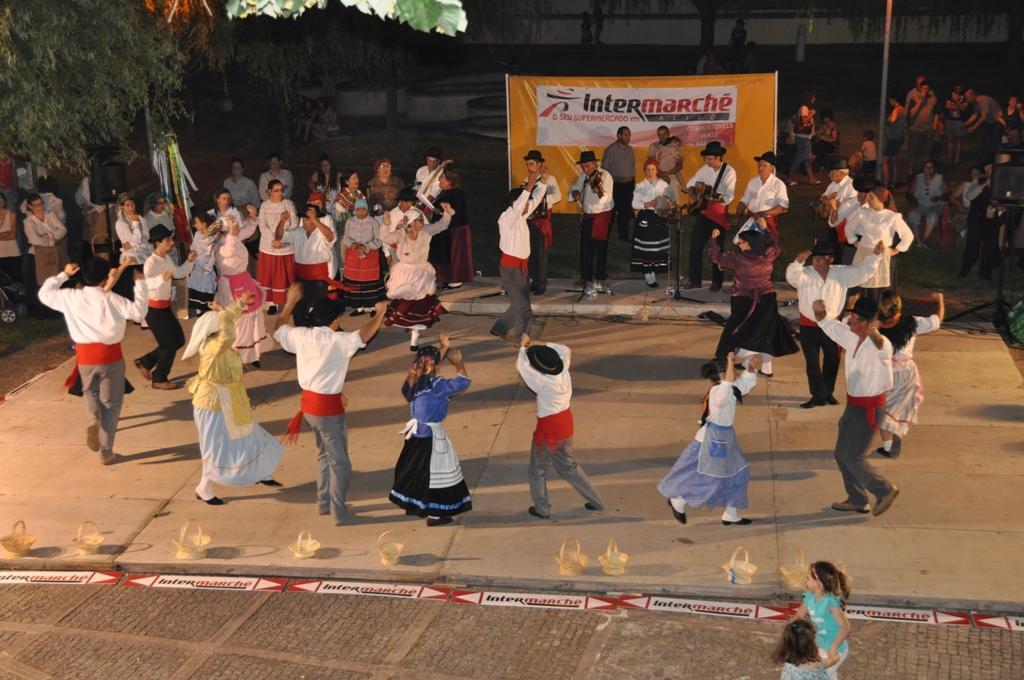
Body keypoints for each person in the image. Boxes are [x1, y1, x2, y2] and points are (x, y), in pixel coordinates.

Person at [274, 284, 388, 525]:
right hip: (328, 411)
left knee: (324, 455)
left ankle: (323, 501)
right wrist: (380, 313)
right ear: (335, 321)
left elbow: (279, 328)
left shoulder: (301, 336)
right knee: (340, 462)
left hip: (309, 407)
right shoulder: (339, 341)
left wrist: (290, 302)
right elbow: (364, 334)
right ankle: (337, 510)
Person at [37, 259, 148, 465]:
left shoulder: (70, 297)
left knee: (90, 392)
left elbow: (44, 294)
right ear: (105, 278)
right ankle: (106, 452)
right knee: (111, 404)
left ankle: (93, 419)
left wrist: (64, 275)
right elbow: (139, 313)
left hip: (85, 358)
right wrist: (140, 284)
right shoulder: (112, 299)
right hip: (110, 357)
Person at [184, 293, 283, 505]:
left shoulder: (217, 342)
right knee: (215, 447)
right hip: (211, 404)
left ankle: (261, 472)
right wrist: (225, 312)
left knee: (249, 435)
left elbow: (228, 324)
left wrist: (238, 305)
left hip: (229, 398)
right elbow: (229, 334)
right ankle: (204, 488)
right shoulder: (213, 347)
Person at [812, 296, 900, 517]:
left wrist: (874, 333)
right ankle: (857, 499)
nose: (849, 319)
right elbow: (829, 325)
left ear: (866, 323)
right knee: (841, 455)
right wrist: (819, 312)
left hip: (869, 409)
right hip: (854, 406)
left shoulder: (881, 344)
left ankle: (885, 490)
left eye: (854, 317)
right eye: (851, 315)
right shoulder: (852, 337)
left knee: (852, 456)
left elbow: (883, 348)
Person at [658, 353, 760, 525]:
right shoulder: (718, 391)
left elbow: (743, 385)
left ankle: (731, 513)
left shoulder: (729, 387)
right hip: (714, 440)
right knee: (712, 477)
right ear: (722, 374)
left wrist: (750, 369)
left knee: (738, 473)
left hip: (724, 437)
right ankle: (679, 500)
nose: (735, 372)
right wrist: (730, 362)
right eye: (731, 369)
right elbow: (726, 390)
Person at [515, 333, 605, 519]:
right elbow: (565, 349)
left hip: (548, 431)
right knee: (569, 467)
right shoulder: (563, 372)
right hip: (565, 425)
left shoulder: (543, 383)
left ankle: (542, 509)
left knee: (537, 471)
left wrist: (523, 348)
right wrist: (539, 344)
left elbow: (521, 367)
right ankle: (597, 501)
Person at [785, 240, 883, 409]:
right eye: (815, 257)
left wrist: (875, 255)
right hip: (809, 325)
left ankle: (827, 393)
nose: (817, 260)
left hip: (832, 326)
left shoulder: (841, 273)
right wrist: (798, 261)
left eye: (821, 257)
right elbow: (792, 278)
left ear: (830, 259)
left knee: (832, 359)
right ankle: (818, 395)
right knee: (812, 363)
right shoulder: (805, 273)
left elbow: (863, 272)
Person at [389, 334, 473, 526]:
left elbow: (428, 363)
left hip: (415, 436)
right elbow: (463, 382)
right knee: (435, 475)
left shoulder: (411, 381)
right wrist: (459, 364)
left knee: (416, 471)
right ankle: (435, 514)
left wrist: (443, 348)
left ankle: (414, 503)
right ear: (434, 365)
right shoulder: (437, 386)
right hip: (431, 437)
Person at [708, 229, 797, 375]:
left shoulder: (737, 258)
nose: (738, 244)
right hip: (767, 299)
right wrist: (766, 230)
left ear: (749, 244)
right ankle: (763, 368)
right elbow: (775, 245)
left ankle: (731, 359)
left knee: (739, 331)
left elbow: (716, 257)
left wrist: (713, 240)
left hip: (744, 300)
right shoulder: (768, 255)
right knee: (765, 332)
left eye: (741, 242)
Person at [876, 291, 944, 458]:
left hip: (882, 374)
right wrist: (940, 300)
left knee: (881, 413)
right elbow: (937, 320)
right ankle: (894, 436)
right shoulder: (912, 322)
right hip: (905, 374)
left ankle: (888, 446)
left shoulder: (873, 324)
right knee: (894, 411)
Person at [380, 205, 454, 349]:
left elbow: (442, 225)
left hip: (422, 273)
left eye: (421, 219)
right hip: (405, 273)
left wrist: (447, 212)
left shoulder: (426, 231)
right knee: (406, 303)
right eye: (419, 220)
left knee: (420, 306)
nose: (422, 222)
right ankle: (403, 321)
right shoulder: (401, 233)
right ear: (412, 222)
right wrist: (386, 224)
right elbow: (386, 237)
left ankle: (415, 337)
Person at [136, 225, 197, 390]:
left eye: (171, 239)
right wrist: (162, 278)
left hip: (164, 307)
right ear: (158, 243)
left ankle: (145, 362)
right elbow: (146, 284)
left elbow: (177, 273)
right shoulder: (151, 262)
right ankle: (159, 378)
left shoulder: (166, 259)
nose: (171, 242)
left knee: (177, 340)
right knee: (169, 344)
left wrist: (190, 261)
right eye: (167, 240)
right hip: (153, 309)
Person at [274, 192, 342, 326]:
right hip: (302, 276)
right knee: (299, 309)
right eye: (305, 218)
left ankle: (323, 331)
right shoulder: (297, 232)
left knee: (320, 311)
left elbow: (331, 237)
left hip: (319, 276)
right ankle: (301, 331)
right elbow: (279, 236)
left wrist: (315, 220)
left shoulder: (322, 232)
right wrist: (282, 221)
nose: (307, 220)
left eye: (310, 217)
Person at [491, 180, 546, 342]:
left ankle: (500, 328)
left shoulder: (522, 217)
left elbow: (536, 200)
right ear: (515, 203)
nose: (528, 206)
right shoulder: (506, 218)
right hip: (510, 269)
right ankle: (521, 338)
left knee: (520, 304)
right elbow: (520, 206)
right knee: (524, 309)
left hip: (522, 269)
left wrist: (542, 183)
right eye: (525, 203)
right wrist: (529, 187)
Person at [214, 213, 270, 367]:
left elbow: (248, 230)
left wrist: (252, 219)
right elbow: (229, 251)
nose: (238, 228)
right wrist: (232, 234)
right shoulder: (221, 246)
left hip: (244, 282)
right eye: (235, 226)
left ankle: (253, 354)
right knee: (239, 322)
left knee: (254, 318)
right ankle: (238, 356)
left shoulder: (234, 238)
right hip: (232, 288)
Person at [846, 185, 914, 301]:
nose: (868, 199)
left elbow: (907, 235)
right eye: (868, 197)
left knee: (879, 289)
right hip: (864, 255)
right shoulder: (862, 213)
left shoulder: (891, 217)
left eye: (871, 197)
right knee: (863, 286)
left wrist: (896, 250)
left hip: (882, 256)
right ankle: (863, 309)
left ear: (881, 200)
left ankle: (881, 309)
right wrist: (855, 242)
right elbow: (849, 228)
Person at [685, 141, 737, 292]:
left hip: (718, 215)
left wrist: (713, 197)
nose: (706, 161)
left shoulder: (729, 172)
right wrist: (692, 195)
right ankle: (695, 280)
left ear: (718, 157)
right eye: (705, 158)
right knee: (695, 246)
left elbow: (728, 197)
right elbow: (690, 182)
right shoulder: (705, 169)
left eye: (709, 158)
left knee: (717, 249)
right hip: (704, 213)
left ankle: (717, 282)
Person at [791, 561, 852, 679]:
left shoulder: (830, 603)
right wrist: (792, 630)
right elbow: (798, 615)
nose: (805, 581)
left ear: (818, 583)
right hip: (820, 645)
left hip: (836, 650)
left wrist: (833, 648)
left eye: (808, 578)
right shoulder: (809, 596)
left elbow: (845, 627)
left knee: (818, 676)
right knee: (826, 676)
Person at [569, 150, 614, 296]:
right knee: (585, 248)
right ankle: (586, 278)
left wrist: (598, 190)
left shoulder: (605, 176)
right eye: (583, 166)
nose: (585, 169)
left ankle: (600, 278)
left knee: (600, 248)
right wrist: (575, 193)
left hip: (601, 215)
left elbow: (606, 198)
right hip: (588, 216)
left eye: (588, 165)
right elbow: (575, 189)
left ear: (595, 164)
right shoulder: (583, 176)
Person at [521, 150, 561, 295]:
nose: (529, 167)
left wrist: (543, 202)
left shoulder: (549, 179)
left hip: (542, 221)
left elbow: (557, 195)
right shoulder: (526, 180)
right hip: (529, 220)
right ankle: (534, 281)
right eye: (527, 164)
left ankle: (541, 284)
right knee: (530, 252)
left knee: (541, 253)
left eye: (531, 163)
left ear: (539, 164)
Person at [630, 159, 674, 287]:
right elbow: (634, 204)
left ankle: (654, 269)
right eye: (648, 170)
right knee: (647, 247)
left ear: (657, 170)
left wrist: (666, 205)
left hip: (660, 217)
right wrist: (650, 203)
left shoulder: (664, 185)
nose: (650, 172)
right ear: (645, 171)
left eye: (653, 169)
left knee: (658, 246)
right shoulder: (640, 186)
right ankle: (648, 274)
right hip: (646, 216)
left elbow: (669, 201)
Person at [256, 179, 297, 308]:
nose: (280, 193)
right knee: (270, 275)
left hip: (285, 246)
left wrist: (282, 240)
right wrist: (272, 240)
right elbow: (262, 225)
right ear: (269, 191)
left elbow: (294, 225)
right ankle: (272, 304)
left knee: (285, 276)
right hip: (268, 246)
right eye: (276, 190)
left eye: (282, 190)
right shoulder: (264, 206)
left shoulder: (288, 204)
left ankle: (289, 303)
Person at [341, 198, 387, 314]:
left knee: (369, 282)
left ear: (367, 210)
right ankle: (359, 307)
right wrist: (353, 245)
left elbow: (378, 240)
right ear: (355, 210)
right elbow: (345, 238)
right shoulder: (350, 221)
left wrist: (365, 247)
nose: (361, 212)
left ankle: (371, 307)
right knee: (354, 282)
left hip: (369, 255)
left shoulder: (373, 222)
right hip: (353, 255)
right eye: (358, 209)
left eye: (363, 209)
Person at [431, 167, 474, 288]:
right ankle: (446, 277)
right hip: (445, 229)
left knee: (454, 255)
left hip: (455, 231)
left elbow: (457, 213)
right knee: (444, 254)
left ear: (449, 180)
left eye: (442, 177)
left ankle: (456, 278)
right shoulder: (445, 192)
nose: (439, 179)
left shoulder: (457, 193)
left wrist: (445, 211)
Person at [735, 151, 789, 245]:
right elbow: (744, 200)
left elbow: (783, 208)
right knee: (742, 244)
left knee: (764, 246)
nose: (760, 168)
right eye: (759, 165)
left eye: (764, 165)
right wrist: (738, 217)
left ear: (772, 167)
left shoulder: (778, 185)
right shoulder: (753, 182)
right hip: (751, 219)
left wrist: (764, 213)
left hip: (767, 221)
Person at [23, 192, 68, 302]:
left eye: (41, 203)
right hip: (36, 255)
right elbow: (34, 240)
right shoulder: (28, 221)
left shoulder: (51, 215)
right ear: (30, 206)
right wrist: (52, 236)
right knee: (41, 283)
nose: (40, 207)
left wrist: (48, 235)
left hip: (53, 252)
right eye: (36, 205)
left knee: (56, 279)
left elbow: (63, 230)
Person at [959, 166, 998, 279]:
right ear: (986, 170)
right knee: (972, 245)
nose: (991, 170)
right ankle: (965, 269)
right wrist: (985, 184)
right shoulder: (979, 180)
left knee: (990, 246)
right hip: (976, 218)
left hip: (992, 218)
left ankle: (985, 272)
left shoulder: (1001, 180)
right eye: (989, 168)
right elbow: (969, 196)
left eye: (993, 167)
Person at [602, 126, 636, 242]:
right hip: (616, 185)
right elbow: (604, 169)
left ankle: (624, 236)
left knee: (625, 212)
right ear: (619, 136)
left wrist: (632, 182)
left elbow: (632, 167)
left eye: (629, 135)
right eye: (626, 135)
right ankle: (605, 235)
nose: (628, 137)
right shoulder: (611, 150)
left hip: (628, 185)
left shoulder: (630, 149)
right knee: (611, 211)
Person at [819, 159, 858, 260]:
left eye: (831, 172)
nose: (829, 175)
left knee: (843, 252)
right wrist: (827, 200)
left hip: (844, 224)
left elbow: (850, 207)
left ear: (841, 173)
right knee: (834, 249)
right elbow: (823, 196)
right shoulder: (833, 183)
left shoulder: (851, 186)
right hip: (834, 222)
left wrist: (834, 204)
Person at [905, 160, 949, 247]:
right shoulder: (918, 178)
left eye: (931, 167)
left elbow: (947, 193)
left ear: (934, 169)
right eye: (926, 167)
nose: (928, 169)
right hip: (920, 203)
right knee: (913, 214)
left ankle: (925, 239)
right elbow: (910, 193)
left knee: (932, 215)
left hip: (935, 204)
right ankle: (918, 241)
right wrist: (913, 201)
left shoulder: (940, 178)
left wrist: (938, 198)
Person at [904, 79, 938, 181]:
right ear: (919, 88)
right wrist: (920, 102)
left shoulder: (933, 99)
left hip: (927, 129)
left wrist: (935, 124)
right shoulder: (913, 98)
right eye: (923, 88)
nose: (925, 91)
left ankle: (925, 173)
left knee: (927, 152)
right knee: (913, 152)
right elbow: (911, 114)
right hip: (915, 129)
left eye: (927, 89)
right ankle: (910, 171)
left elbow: (936, 112)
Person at [187, 213, 219, 316]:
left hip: (207, 266)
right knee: (196, 286)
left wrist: (207, 267)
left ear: (204, 224)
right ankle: (198, 310)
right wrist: (192, 253)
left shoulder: (213, 236)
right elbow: (193, 246)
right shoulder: (197, 234)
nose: (195, 225)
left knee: (206, 287)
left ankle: (207, 310)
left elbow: (213, 254)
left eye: (197, 223)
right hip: (197, 264)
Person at [964, 88, 1006, 166]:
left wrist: (973, 127)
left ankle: (990, 162)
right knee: (985, 142)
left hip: (997, 122)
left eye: (967, 98)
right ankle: (986, 161)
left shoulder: (983, 100)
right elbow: (975, 115)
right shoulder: (976, 103)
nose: (967, 100)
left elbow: (983, 117)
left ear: (973, 96)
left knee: (994, 143)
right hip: (990, 122)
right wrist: (964, 124)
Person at [788, 92, 819, 186]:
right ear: (809, 98)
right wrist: (812, 114)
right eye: (813, 98)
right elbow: (804, 120)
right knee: (799, 158)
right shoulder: (804, 108)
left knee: (807, 159)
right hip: (802, 138)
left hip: (804, 138)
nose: (814, 99)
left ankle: (811, 179)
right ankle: (789, 178)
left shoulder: (804, 108)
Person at [647, 125, 683, 198]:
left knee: (674, 200)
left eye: (664, 134)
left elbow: (679, 166)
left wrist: (666, 174)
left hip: (672, 175)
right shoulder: (653, 146)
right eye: (660, 135)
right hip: (657, 175)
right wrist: (662, 175)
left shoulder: (674, 145)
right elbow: (650, 165)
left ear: (669, 133)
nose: (662, 137)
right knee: (660, 201)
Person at [75, 175, 111, 249]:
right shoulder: (86, 180)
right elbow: (79, 196)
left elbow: (111, 201)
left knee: (102, 241)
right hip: (89, 215)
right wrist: (83, 205)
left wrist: (95, 209)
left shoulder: (106, 178)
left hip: (104, 214)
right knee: (90, 241)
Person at [882, 93, 906, 189]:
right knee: (894, 160)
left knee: (885, 161)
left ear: (893, 100)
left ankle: (886, 183)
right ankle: (893, 182)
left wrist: (888, 121)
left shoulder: (896, 109)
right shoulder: (903, 109)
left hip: (893, 138)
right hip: (900, 137)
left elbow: (892, 120)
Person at [943, 86, 968, 165]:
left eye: (959, 87)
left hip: (959, 121)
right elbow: (947, 106)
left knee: (959, 141)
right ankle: (949, 158)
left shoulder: (964, 97)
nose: (957, 89)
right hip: (949, 121)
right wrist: (959, 106)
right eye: (956, 87)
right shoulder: (949, 95)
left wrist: (955, 100)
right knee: (949, 140)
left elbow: (964, 108)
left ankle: (957, 159)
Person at [0, 193, 21, 282]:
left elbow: (13, 235)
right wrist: (6, 233)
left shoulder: (11, 214)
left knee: (16, 282)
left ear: (4, 200)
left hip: (12, 253)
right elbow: (10, 233)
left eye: (1, 199)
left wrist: (8, 233)